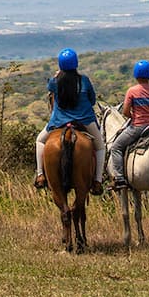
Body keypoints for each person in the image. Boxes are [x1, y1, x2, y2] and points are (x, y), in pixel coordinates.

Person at [35, 48, 106, 195]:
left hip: (59, 121)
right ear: (76, 64)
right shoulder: (84, 80)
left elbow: (51, 91)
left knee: (40, 141)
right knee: (100, 147)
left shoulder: (54, 82)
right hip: (85, 120)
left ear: (60, 65)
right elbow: (92, 101)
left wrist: (57, 75)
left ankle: (40, 175)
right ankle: (98, 180)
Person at [108, 60, 149, 191]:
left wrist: (135, 117)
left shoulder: (132, 91)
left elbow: (126, 112)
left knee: (116, 147)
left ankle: (119, 178)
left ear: (136, 75)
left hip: (138, 127)